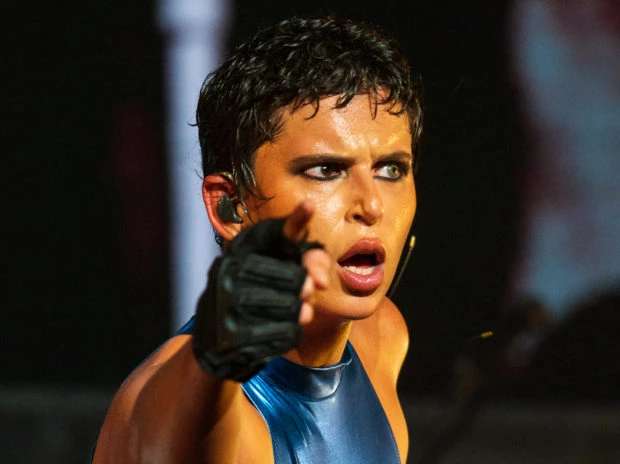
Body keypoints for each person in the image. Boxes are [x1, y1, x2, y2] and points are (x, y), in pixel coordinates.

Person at [92, 16, 422, 463]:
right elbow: (186, 420)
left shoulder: (382, 336)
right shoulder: (166, 402)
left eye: (391, 169)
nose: (373, 205)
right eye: (325, 170)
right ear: (230, 207)